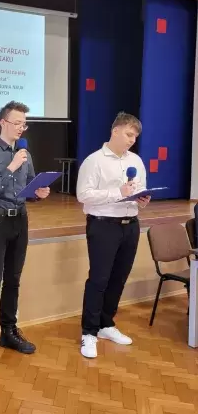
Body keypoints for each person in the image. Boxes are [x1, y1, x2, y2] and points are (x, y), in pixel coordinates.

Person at [0, 100, 50, 367]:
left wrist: (38, 193)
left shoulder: (25, 154)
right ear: (2, 123)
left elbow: (27, 189)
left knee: (14, 280)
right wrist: (11, 167)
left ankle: (8, 331)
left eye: (24, 124)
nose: (21, 128)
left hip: (20, 221)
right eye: (17, 123)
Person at [76, 112, 151, 359]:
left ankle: (106, 324)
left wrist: (142, 199)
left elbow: (139, 190)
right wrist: (118, 192)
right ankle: (89, 332)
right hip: (103, 225)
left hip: (131, 225)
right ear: (115, 131)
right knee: (99, 279)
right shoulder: (94, 161)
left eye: (135, 137)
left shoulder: (136, 161)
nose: (132, 140)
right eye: (129, 134)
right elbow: (83, 195)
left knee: (119, 278)